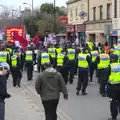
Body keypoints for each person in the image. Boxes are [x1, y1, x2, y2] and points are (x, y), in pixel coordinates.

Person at [107, 54, 120, 120]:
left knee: (113, 102)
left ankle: (114, 116)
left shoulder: (110, 66)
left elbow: (106, 75)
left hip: (113, 86)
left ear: (112, 59)